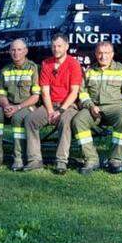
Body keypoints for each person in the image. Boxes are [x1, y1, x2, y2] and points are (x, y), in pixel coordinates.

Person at [73, 41, 122, 174]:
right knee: (78, 120)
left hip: (115, 108)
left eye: (107, 53)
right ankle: (91, 159)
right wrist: (90, 106)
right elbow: (83, 93)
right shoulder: (89, 71)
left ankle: (115, 159)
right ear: (96, 54)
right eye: (100, 53)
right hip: (93, 108)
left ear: (112, 54)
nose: (103, 57)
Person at [27, 33, 84, 174]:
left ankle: (61, 162)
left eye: (59, 46)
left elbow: (74, 92)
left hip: (68, 105)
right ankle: (34, 160)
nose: (56, 49)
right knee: (31, 120)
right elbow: (45, 91)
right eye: (53, 46)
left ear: (66, 46)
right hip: (50, 104)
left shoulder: (74, 64)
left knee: (65, 122)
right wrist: (51, 110)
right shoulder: (46, 63)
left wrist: (61, 111)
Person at [0, 39, 40, 170]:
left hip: (27, 106)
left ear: (26, 51)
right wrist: (6, 106)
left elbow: (35, 96)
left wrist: (18, 107)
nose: (16, 53)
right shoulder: (5, 70)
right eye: (13, 50)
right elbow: (1, 94)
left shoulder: (33, 68)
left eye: (19, 50)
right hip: (9, 105)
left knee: (17, 118)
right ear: (10, 51)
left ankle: (18, 158)